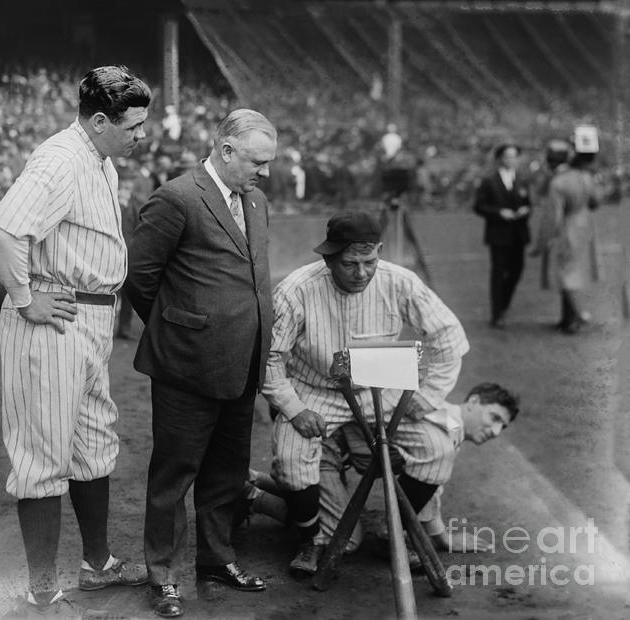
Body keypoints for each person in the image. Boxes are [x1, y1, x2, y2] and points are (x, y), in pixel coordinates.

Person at [0, 65, 151, 618]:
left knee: (93, 442)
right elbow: (5, 227)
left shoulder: (98, 158)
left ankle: (97, 567)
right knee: (42, 453)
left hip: (89, 319)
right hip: (52, 317)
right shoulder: (60, 158)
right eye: (133, 126)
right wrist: (25, 298)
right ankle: (41, 591)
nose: (141, 135)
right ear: (99, 120)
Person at [125, 109, 276, 618]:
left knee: (226, 473)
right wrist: (181, 331)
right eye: (258, 160)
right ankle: (163, 576)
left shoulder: (255, 200)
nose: (265, 171)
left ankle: (216, 559)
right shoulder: (178, 197)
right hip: (187, 366)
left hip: (242, 362)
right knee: (175, 474)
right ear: (226, 150)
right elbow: (139, 278)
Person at [262, 210, 470, 576]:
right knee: (292, 459)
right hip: (316, 391)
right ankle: (308, 539)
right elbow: (269, 359)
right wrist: (293, 409)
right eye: (349, 263)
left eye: (369, 261)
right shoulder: (297, 290)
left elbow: (449, 337)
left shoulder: (399, 281)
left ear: (379, 252)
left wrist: (429, 396)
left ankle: (398, 530)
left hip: (381, 391)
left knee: (436, 449)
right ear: (328, 259)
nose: (361, 273)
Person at [245, 382, 519, 558]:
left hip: (339, 453)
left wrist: (441, 537)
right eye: (494, 418)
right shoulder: (444, 421)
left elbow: (430, 488)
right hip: (321, 447)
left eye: (502, 427)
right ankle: (254, 498)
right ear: (473, 402)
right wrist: (435, 537)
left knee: (367, 521)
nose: (495, 431)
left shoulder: (450, 427)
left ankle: (258, 480)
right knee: (346, 540)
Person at [534, 141, 601, 334]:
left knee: (566, 275)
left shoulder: (558, 181)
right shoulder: (585, 176)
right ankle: (567, 319)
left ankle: (577, 317)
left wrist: (542, 243)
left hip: (567, 228)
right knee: (574, 272)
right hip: (585, 226)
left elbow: (554, 217)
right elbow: (595, 202)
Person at [472, 143, 532, 328]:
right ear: (500, 158)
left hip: (518, 234)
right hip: (498, 234)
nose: (510, 160)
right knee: (498, 272)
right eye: (507, 156)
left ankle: (504, 303)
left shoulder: (522, 180)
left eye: (514, 156)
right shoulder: (489, 181)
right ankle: (496, 313)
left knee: (516, 270)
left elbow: (529, 203)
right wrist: (498, 213)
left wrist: (525, 210)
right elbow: (479, 206)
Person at [115, 174, 142, 339]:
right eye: (123, 184)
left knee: (128, 293)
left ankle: (124, 328)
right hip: (112, 252)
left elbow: (141, 224)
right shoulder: (109, 198)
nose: (125, 187)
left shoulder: (135, 203)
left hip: (129, 253)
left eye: (128, 185)